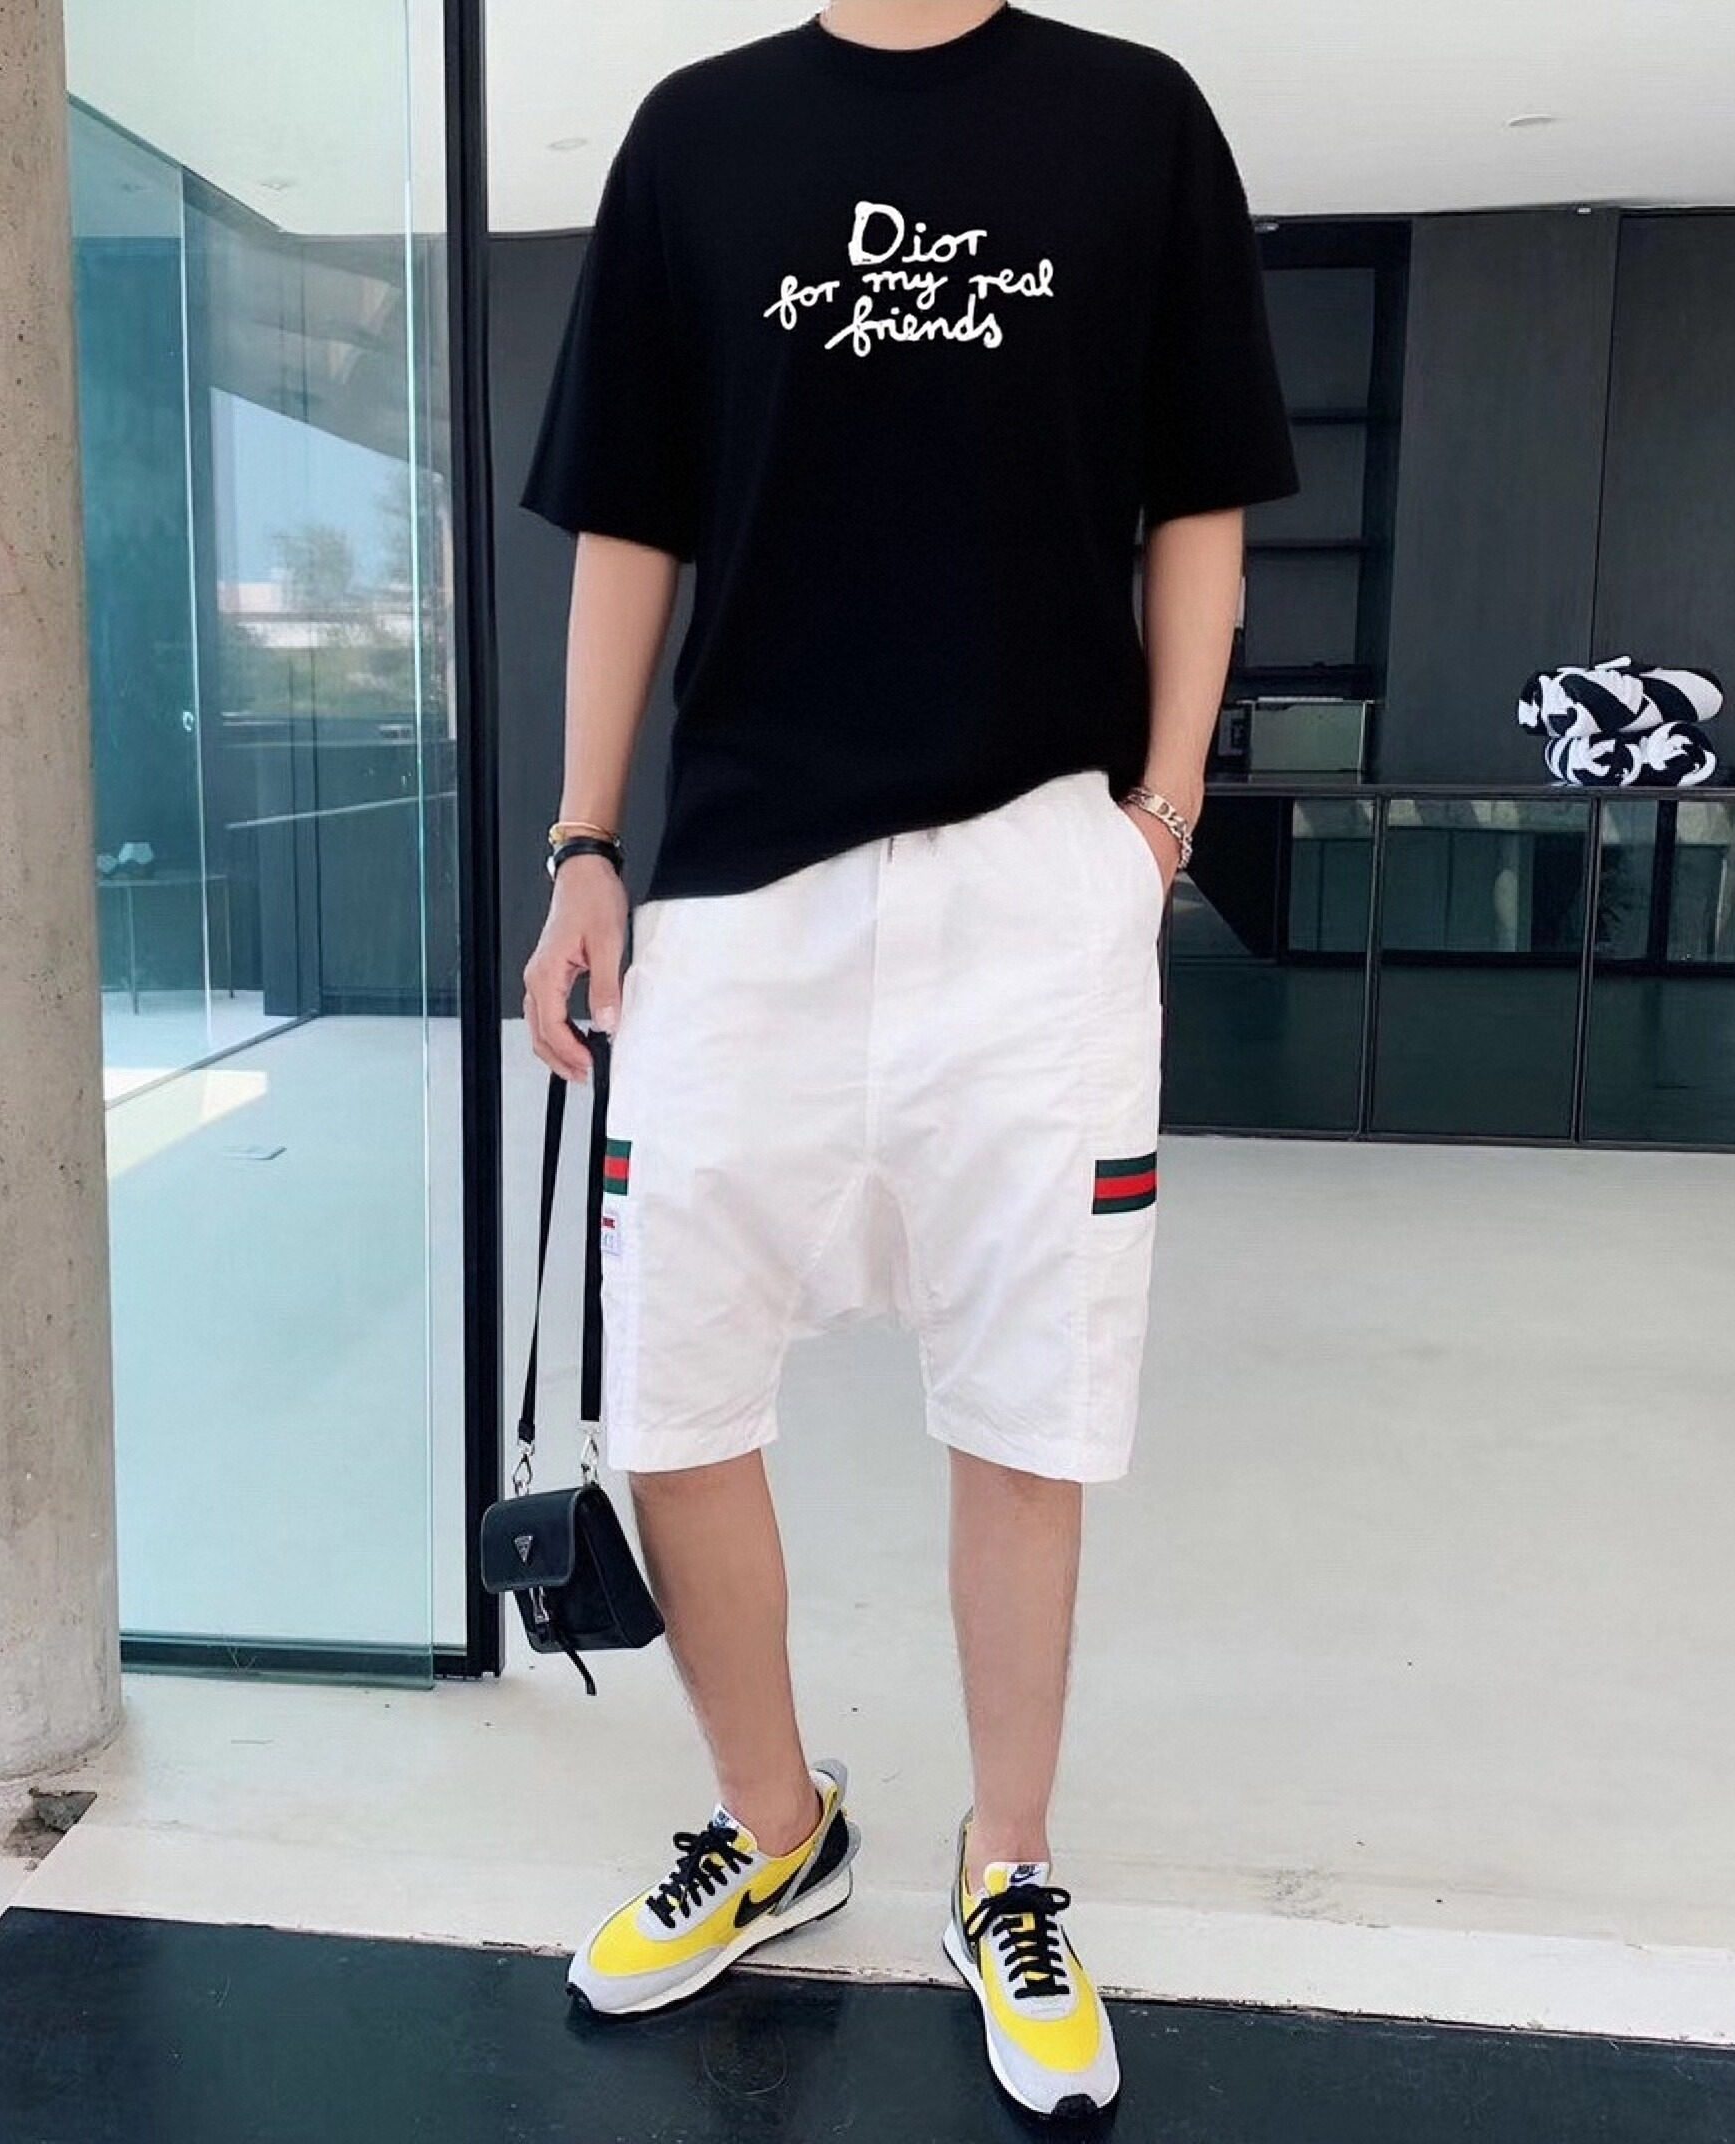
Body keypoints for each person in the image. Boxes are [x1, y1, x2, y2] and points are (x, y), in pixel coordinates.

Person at [517, 0, 1295, 2120]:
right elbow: (628, 522)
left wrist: (1156, 822)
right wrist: (586, 844)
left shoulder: (1133, 120)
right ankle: (773, 1823)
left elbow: (1203, 500)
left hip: (1034, 878)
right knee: (674, 1394)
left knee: (1030, 1405)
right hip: (739, 893)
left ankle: (1006, 1864)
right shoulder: (697, 137)